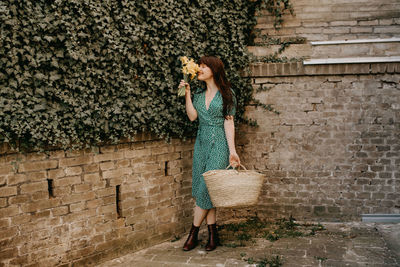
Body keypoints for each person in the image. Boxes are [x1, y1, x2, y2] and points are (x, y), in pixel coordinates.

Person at [178, 56, 240, 251]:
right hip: (202, 143)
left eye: (204, 67)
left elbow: (228, 122)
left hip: (220, 144)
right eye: (199, 67)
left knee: (205, 187)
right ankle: (213, 235)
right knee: (207, 189)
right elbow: (192, 116)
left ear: (214, 70)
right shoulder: (198, 94)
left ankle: (193, 234)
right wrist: (187, 93)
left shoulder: (226, 93)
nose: (200, 69)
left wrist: (232, 151)